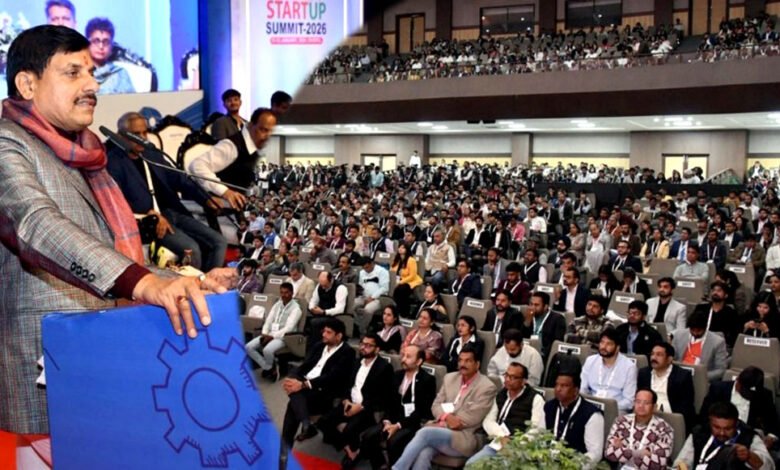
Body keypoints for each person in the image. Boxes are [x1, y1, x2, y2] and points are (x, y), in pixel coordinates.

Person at [0, 25, 233, 434]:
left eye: (92, 73)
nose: (92, 85)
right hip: (44, 368)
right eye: (73, 73)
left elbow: (112, 257)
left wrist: (187, 282)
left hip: (102, 358)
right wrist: (146, 284)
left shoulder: (87, 156)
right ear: (27, 84)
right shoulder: (7, 144)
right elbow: (36, 225)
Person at [106, 112, 227, 271]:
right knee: (191, 250)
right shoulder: (113, 162)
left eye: (144, 133)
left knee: (219, 242)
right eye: (136, 134)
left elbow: (180, 179)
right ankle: (190, 284)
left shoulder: (152, 154)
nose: (142, 138)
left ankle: (211, 282)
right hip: (149, 223)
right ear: (121, 136)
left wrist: (206, 199)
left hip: (172, 212)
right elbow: (116, 203)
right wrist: (150, 216)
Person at [392, 345, 497, 470]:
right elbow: (435, 405)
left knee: (425, 433)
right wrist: (446, 417)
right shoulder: (449, 378)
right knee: (424, 453)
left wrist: (443, 422)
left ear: (477, 364)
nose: (463, 364)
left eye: (468, 361)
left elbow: (472, 417)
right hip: (439, 431)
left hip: (463, 437)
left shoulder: (486, 387)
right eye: (460, 360)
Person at [317, 333, 394, 469]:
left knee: (349, 429)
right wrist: (346, 400)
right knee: (323, 422)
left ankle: (355, 452)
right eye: (362, 344)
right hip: (349, 403)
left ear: (377, 349)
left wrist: (361, 407)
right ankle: (350, 449)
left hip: (368, 409)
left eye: (368, 345)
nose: (363, 347)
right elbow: (347, 385)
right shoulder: (357, 362)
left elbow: (383, 396)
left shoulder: (384, 367)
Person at [358, 345, 436, 469]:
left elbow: (422, 410)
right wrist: (387, 421)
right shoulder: (397, 375)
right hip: (392, 419)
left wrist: (398, 425)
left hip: (412, 423)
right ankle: (381, 465)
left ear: (419, 361)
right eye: (403, 355)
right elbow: (388, 401)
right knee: (368, 437)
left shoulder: (427, 380)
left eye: (408, 357)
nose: (403, 359)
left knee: (394, 442)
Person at [280, 318, 355, 447]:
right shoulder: (319, 346)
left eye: (328, 332)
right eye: (323, 331)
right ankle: (305, 425)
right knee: (294, 390)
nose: (324, 334)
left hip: (324, 391)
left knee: (293, 403)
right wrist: (292, 378)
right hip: (306, 384)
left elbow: (332, 377)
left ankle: (287, 445)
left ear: (339, 336)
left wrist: (303, 385)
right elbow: (305, 365)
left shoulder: (347, 352)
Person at [188, 107, 277, 211]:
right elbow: (197, 165)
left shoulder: (254, 150)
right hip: (213, 210)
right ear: (251, 125)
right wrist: (224, 192)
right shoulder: (232, 146)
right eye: (263, 130)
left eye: (270, 132)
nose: (266, 136)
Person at [465, 363, 545, 466]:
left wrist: (515, 444)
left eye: (513, 377)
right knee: (471, 465)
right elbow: (488, 421)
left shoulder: (535, 399)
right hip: (498, 443)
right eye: (506, 375)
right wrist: (501, 436)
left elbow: (537, 430)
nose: (507, 379)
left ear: (524, 381)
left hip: (519, 449)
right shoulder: (501, 394)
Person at [673, 401, 774, 469]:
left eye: (728, 429)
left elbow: (769, 466)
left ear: (736, 424)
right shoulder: (699, 433)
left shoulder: (749, 437)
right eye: (716, 427)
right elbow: (682, 462)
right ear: (710, 422)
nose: (722, 433)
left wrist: (749, 456)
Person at [699, 366, 780, 449]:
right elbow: (704, 417)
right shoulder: (718, 389)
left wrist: (771, 437)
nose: (748, 395)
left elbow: (773, 424)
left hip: (747, 441)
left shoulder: (764, 396)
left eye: (752, 393)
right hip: (718, 436)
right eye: (745, 392)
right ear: (738, 381)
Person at [541, 372, 605, 468]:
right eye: (556, 385)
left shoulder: (592, 414)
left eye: (564, 386)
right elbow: (540, 434)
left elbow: (595, 453)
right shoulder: (549, 406)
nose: (558, 389)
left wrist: (574, 466)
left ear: (576, 390)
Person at [604, 389, 675, 469]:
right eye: (638, 402)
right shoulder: (621, 421)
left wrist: (622, 451)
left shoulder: (664, 429)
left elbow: (658, 464)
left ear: (654, 407)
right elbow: (608, 453)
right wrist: (639, 454)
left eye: (646, 403)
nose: (641, 406)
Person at [245, 282, 301, 379]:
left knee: (267, 350)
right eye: (282, 292)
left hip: (285, 337)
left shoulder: (296, 309)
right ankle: (269, 367)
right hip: (269, 334)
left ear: (292, 293)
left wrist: (272, 336)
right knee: (248, 347)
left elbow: (289, 328)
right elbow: (268, 320)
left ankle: (269, 368)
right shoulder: (277, 304)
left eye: (286, 292)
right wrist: (265, 333)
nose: (283, 295)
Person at [637, 342, 696, 427]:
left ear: (669, 359)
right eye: (652, 354)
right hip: (647, 417)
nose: (653, 357)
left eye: (659, 355)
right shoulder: (644, 373)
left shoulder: (682, 376)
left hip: (672, 419)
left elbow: (686, 406)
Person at [580, 329, 638, 413]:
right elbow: (582, 389)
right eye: (602, 342)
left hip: (615, 409)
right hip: (591, 406)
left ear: (617, 348)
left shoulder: (629, 367)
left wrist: (608, 407)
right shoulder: (590, 361)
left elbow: (629, 401)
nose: (603, 347)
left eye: (609, 344)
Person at [671, 310, 729, 382]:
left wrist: (701, 377)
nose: (695, 333)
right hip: (679, 375)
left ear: (705, 328)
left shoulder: (718, 342)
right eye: (692, 330)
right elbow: (671, 358)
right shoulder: (679, 335)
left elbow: (721, 370)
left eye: (698, 331)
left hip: (700, 379)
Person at [85, 18, 134, 95]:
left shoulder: (120, 74)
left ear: (111, 46)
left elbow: (130, 100)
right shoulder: (78, 73)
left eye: (106, 42)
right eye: (96, 41)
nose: (101, 46)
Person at [307, 271, 349, 351]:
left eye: (325, 285)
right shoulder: (320, 286)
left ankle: (315, 349)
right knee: (306, 318)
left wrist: (324, 312)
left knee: (315, 322)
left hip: (333, 316)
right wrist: (312, 308)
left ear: (331, 280)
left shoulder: (341, 288)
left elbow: (340, 309)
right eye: (321, 285)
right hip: (320, 313)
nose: (323, 287)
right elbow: (313, 300)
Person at [692, 281, 740, 348]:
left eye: (719, 291)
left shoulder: (731, 313)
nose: (715, 293)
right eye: (713, 290)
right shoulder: (701, 308)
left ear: (726, 295)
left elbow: (734, 335)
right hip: (701, 342)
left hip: (721, 346)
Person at [520, 291, 567, 361]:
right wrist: (527, 322)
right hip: (525, 350)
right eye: (531, 304)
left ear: (545, 306)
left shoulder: (557, 319)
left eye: (536, 305)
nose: (532, 307)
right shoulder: (527, 315)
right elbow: (521, 337)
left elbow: (556, 343)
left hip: (544, 354)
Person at [355, 256, 389, 334]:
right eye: (364, 268)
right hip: (364, 296)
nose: (366, 270)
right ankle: (360, 325)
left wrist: (372, 297)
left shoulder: (382, 271)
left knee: (368, 310)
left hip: (378, 298)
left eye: (367, 267)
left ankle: (362, 331)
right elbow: (361, 285)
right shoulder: (362, 272)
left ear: (372, 264)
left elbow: (384, 288)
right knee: (351, 305)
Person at [391, 243, 423, 317]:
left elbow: (412, 275)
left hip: (410, 281)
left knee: (401, 290)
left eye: (403, 247)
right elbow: (392, 271)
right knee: (395, 290)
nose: (400, 249)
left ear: (407, 249)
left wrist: (400, 282)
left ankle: (404, 313)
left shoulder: (411, 260)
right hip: (398, 281)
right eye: (399, 247)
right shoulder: (396, 260)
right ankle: (397, 311)